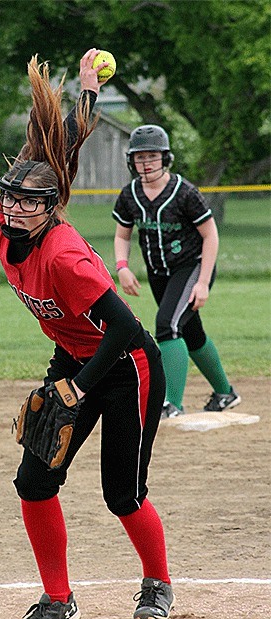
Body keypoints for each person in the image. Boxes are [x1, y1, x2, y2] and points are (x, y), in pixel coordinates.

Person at [0, 50, 174, 619]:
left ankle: (157, 582)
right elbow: (50, 157)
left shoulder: (65, 257)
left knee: (122, 493)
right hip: (75, 356)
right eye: (10, 197)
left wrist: (75, 391)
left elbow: (122, 329)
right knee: (34, 481)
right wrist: (86, 95)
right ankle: (57, 598)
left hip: (128, 364)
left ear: (51, 210)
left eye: (29, 203)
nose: (15, 209)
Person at [113, 125, 241, 418]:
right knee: (190, 333)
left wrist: (204, 282)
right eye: (139, 157)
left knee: (167, 325)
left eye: (152, 156)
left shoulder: (184, 192)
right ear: (131, 161)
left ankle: (171, 403)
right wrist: (122, 267)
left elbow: (211, 236)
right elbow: (122, 236)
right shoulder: (130, 194)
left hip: (192, 267)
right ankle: (225, 393)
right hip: (160, 273)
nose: (146, 163)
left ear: (165, 158)